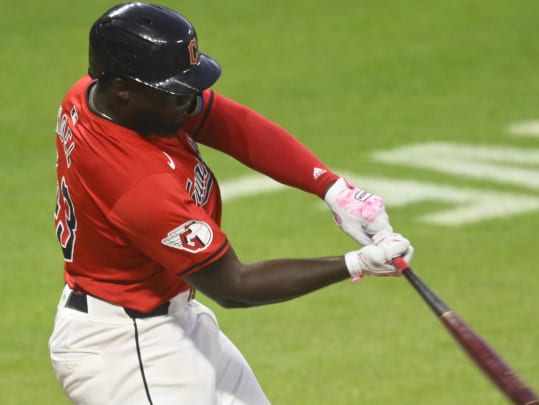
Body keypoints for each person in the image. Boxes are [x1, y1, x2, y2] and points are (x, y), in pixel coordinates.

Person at [49, 3, 414, 404]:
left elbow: (229, 123)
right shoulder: (138, 184)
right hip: (131, 352)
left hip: (169, 319)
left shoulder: (99, 95)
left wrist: (331, 188)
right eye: (177, 92)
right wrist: (358, 263)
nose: (192, 100)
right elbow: (233, 285)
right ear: (123, 89)